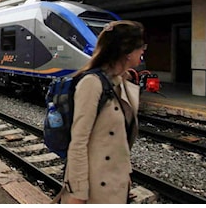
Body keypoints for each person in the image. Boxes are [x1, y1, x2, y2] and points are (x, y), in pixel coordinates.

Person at [58, 20, 147, 204]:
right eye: (141, 46)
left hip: (115, 183)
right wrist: (77, 192)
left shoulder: (120, 82)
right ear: (127, 51)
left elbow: (120, 140)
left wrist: (124, 175)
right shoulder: (92, 83)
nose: (143, 51)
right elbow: (79, 141)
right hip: (95, 189)